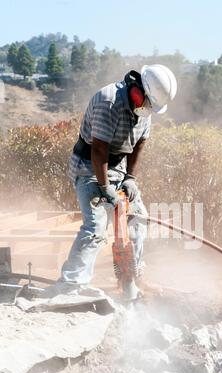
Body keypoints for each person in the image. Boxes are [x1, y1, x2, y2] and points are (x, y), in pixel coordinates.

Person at [53, 64, 177, 296]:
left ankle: (132, 277)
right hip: (90, 166)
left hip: (118, 168)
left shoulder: (144, 110)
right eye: (148, 103)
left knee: (138, 220)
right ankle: (71, 284)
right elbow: (98, 149)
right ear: (138, 91)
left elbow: (139, 144)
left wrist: (129, 177)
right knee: (96, 227)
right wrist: (104, 187)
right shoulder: (109, 101)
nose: (149, 108)